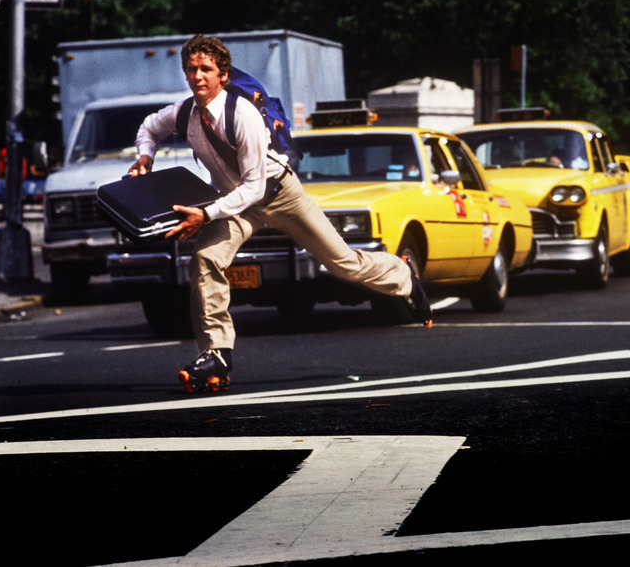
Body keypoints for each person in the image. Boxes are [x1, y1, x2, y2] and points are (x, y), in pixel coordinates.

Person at [129, 35, 431, 393]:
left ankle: (402, 274)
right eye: (191, 69)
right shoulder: (184, 114)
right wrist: (145, 156)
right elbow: (149, 126)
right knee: (206, 259)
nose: (198, 76)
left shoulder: (241, 115)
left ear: (223, 75)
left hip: (278, 193)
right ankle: (217, 355)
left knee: (342, 263)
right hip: (234, 202)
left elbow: (255, 187)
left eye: (206, 69)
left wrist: (205, 214)